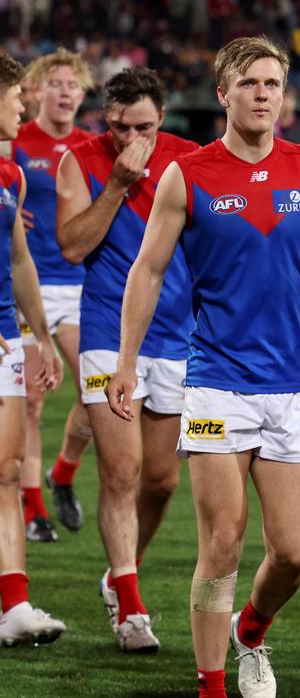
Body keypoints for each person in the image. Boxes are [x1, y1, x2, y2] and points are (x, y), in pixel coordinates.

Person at [106, 36, 300, 698]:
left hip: (293, 386)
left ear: (285, 95)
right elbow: (147, 270)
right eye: (250, 83)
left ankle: (252, 632)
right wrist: (126, 362)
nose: (263, 94)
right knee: (222, 543)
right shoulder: (191, 176)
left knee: (294, 553)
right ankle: (214, 684)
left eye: (273, 84)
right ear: (223, 94)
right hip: (216, 384)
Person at [55, 66, 199, 652]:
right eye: (118, 126)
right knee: (122, 471)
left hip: (178, 335)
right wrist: (116, 183)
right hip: (107, 334)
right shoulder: (82, 161)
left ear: (162, 118)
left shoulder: (191, 160)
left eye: (142, 125)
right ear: (105, 119)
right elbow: (71, 245)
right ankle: (132, 610)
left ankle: (121, 574)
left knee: (162, 481)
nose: (130, 137)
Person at [6, 49, 95, 540]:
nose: (64, 92)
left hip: (80, 286)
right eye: (56, 83)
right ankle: (35, 509)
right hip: (31, 286)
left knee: (96, 390)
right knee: (34, 401)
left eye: (73, 85)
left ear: (82, 96)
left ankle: (62, 473)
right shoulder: (18, 140)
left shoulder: (88, 146)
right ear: (37, 90)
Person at [0, 49, 67, 649]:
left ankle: (14, 604)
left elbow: (20, 259)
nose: (23, 103)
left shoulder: (10, 175)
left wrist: (40, 336)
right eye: (16, 94)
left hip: (5, 340)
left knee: (4, 471)